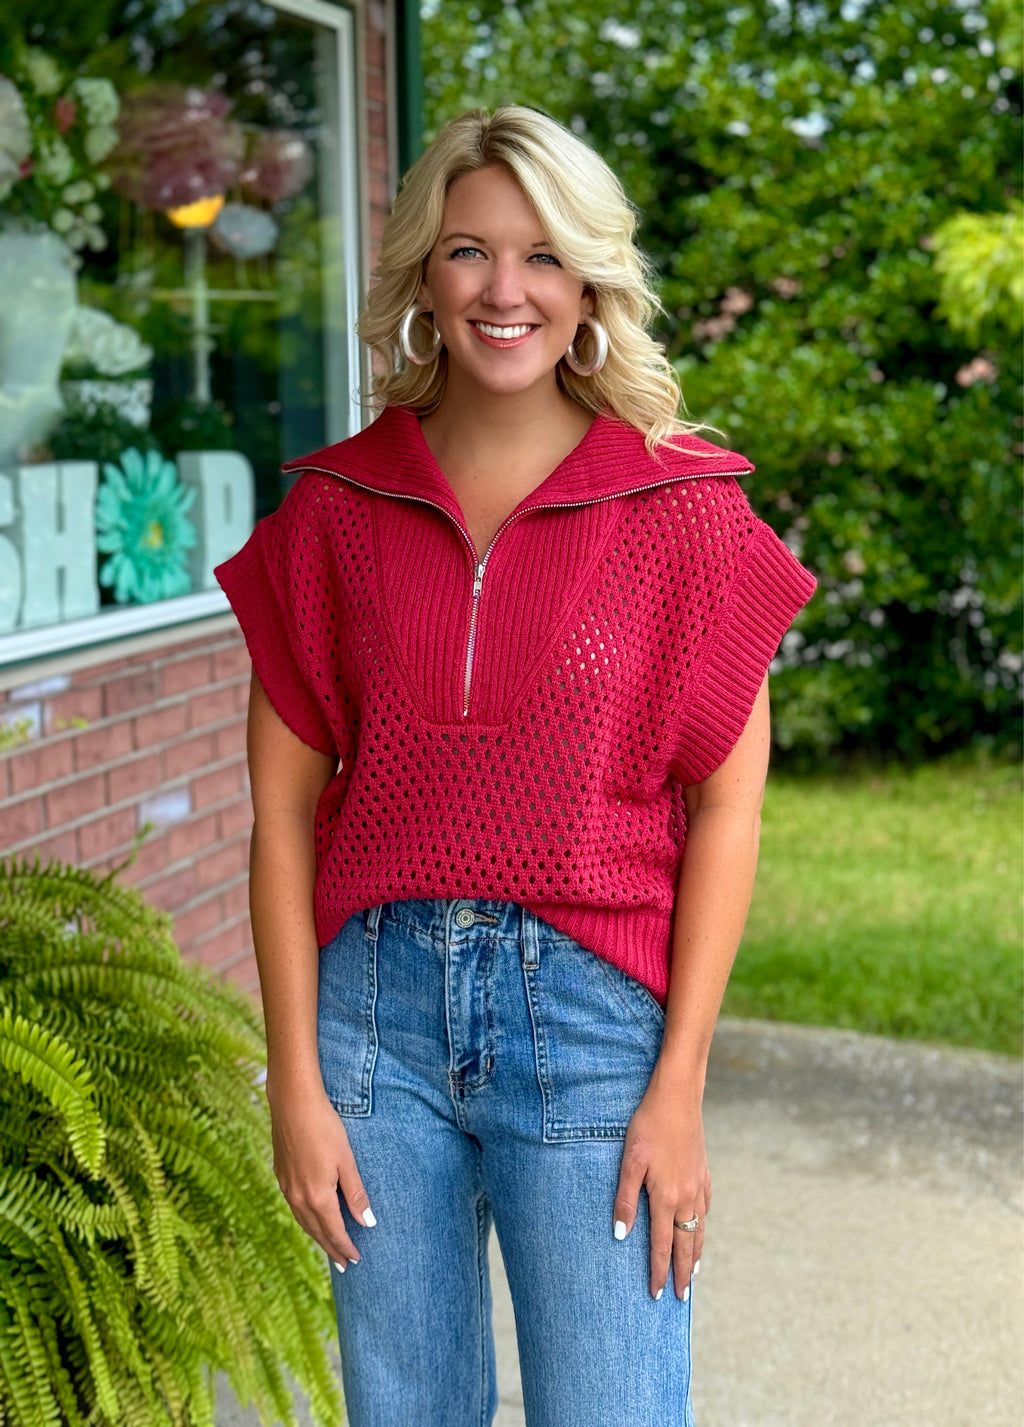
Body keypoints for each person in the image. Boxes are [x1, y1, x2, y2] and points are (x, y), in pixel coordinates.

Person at [215, 105, 815, 1427]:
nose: (506, 290)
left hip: (596, 1027)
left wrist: (680, 1088)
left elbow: (728, 808)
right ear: (425, 273)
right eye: (471, 252)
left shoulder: (686, 510)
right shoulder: (334, 510)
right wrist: (297, 1085)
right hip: (374, 1030)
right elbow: (279, 821)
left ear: (590, 280)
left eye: (543, 256)